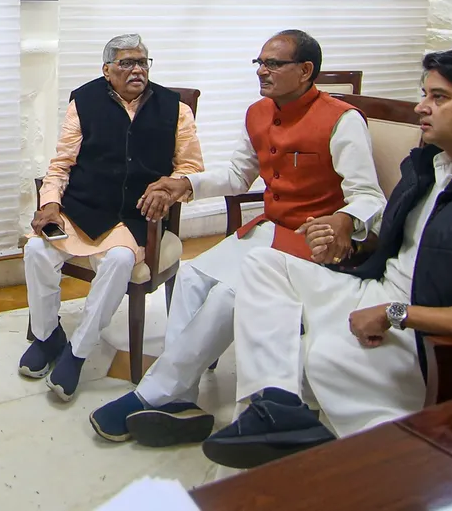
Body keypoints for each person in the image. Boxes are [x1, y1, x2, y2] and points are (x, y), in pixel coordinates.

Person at [203, 50, 452, 470]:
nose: (421, 107)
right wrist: (346, 234)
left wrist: (395, 313)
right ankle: (277, 407)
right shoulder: (435, 165)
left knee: (327, 355)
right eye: (424, 94)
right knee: (264, 263)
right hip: (380, 287)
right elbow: (402, 242)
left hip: (431, 329)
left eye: (440, 98)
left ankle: (398, 466)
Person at [88, 30, 385, 445]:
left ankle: (155, 392)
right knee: (191, 279)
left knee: (229, 294)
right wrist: (183, 184)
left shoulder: (342, 119)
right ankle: (180, 398)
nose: (262, 71)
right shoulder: (258, 113)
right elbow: (237, 176)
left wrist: (343, 221)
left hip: (310, 242)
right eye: (259, 63)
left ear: (305, 71)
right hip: (267, 230)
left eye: (273, 64)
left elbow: (370, 196)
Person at [21, 34, 203, 402]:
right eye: (126, 63)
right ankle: (47, 336)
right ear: (107, 70)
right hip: (82, 208)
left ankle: (77, 351)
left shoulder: (175, 108)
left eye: (142, 62)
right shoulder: (84, 100)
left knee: (119, 260)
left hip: (135, 217)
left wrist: (169, 189)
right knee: (36, 252)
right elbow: (61, 164)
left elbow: (191, 170)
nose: (137, 69)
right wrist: (51, 202)